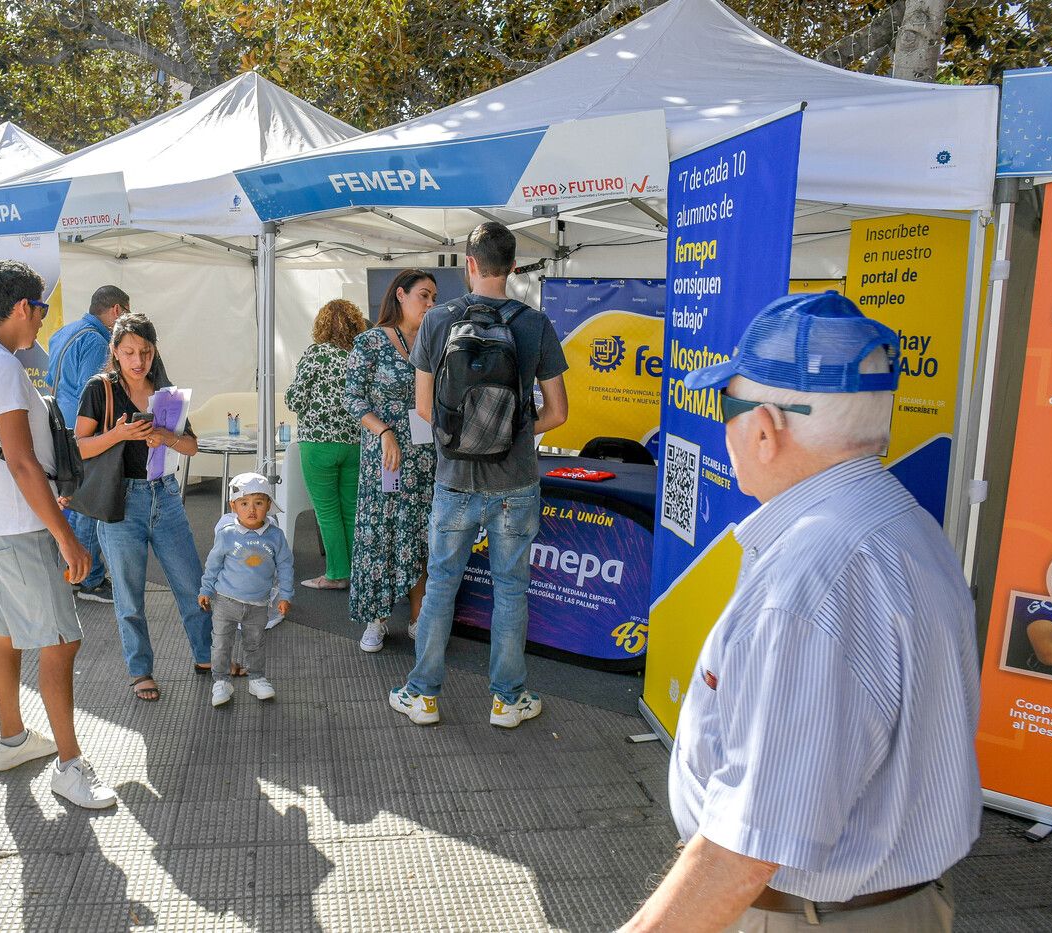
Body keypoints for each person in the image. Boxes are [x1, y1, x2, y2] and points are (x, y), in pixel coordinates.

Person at [621, 292, 980, 933]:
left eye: (725, 406)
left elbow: (745, 851)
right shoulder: (906, 526)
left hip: (809, 918)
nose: (723, 426)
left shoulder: (808, 586)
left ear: (765, 427)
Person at [0, 259, 116, 809]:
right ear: (22, 307)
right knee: (61, 640)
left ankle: (13, 739)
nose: (43, 322)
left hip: (1, 523)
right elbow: (21, 462)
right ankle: (70, 766)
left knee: (5, 632)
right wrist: (66, 536)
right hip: (21, 525)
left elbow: (17, 460)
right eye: (41, 309)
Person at [390, 222, 569, 728]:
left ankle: (422, 695)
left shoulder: (438, 320)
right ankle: (507, 701)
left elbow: (423, 409)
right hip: (515, 484)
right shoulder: (534, 323)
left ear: (469, 265)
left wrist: (465, 436)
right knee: (510, 588)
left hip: (454, 482)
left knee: (441, 586)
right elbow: (559, 412)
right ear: (513, 266)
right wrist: (513, 433)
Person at [73, 311, 216, 702]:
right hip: (121, 500)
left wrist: (164, 436)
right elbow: (78, 446)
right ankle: (140, 672)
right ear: (115, 352)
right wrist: (119, 433)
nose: (139, 361)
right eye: (130, 352)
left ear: (154, 353)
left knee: (192, 584)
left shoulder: (165, 392)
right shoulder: (99, 389)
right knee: (129, 594)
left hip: (165, 495)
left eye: (146, 352)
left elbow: (191, 446)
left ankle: (207, 656)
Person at [344, 270, 440, 653]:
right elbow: (353, 398)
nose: (431, 304)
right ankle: (376, 619)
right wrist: (383, 431)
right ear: (400, 295)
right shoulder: (369, 342)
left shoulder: (434, 344)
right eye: (424, 295)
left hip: (426, 457)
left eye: (434, 297)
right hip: (386, 458)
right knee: (379, 536)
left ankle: (419, 618)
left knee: (422, 537)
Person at [45, 285, 130, 604]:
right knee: (85, 505)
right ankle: (88, 580)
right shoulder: (97, 341)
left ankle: (72, 573)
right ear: (118, 311)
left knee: (67, 499)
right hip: (80, 431)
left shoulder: (64, 331)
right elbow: (90, 393)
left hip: (57, 424)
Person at [285, 298, 366, 591]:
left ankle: (336, 574)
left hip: (318, 444)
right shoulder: (360, 355)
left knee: (327, 513)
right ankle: (359, 572)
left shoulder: (316, 354)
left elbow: (295, 399)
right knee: (351, 510)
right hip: (356, 443)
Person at [199, 473, 294, 707]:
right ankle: (221, 681)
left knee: (256, 643)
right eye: (244, 503)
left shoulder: (275, 536)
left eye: (259, 503)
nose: (251, 510)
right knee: (221, 643)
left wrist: (285, 595)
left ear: (268, 506)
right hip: (225, 601)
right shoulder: (227, 534)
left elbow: (285, 565)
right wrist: (205, 589)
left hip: (258, 604)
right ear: (234, 506)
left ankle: (257, 677)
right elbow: (213, 564)